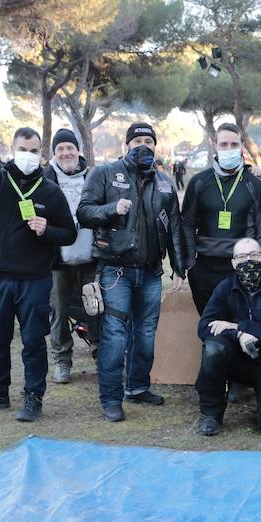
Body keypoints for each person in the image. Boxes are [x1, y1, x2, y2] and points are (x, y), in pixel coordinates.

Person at [0, 126, 78, 422]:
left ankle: (33, 397)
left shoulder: (50, 191)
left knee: (33, 341)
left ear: (42, 154)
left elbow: (69, 233)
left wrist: (47, 230)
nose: (28, 156)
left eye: (34, 151)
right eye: (23, 150)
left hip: (34, 280)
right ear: (13, 148)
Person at [77, 122, 186, 423]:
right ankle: (111, 398)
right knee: (114, 336)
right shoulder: (105, 173)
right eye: (137, 139)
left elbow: (174, 226)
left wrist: (179, 267)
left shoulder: (164, 182)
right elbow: (83, 212)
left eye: (149, 140)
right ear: (127, 145)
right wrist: (112, 209)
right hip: (116, 271)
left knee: (146, 334)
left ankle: (137, 387)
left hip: (151, 272)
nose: (143, 145)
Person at [194, 238, 261, 437]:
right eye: (241, 257)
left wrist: (238, 326)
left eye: (253, 255)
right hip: (238, 363)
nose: (248, 261)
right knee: (213, 349)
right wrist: (239, 335)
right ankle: (211, 414)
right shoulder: (225, 287)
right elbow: (205, 327)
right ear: (233, 262)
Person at [178, 122, 261, 314]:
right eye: (224, 144)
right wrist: (191, 264)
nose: (229, 148)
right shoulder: (199, 181)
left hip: (242, 266)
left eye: (234, 145)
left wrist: (257, 264)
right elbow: (186, 223)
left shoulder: (254, 183)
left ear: (242, 146)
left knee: (239, 330)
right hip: (204, 268)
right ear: (215, 146)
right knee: (211, 333)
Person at [44, 128, 99, 385]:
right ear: (54, 153)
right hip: (58, 259)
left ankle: (100, 353)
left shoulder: (94, 176)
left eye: (70, 147)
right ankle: (62, 361)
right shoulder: (45, 178)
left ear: (78, 150)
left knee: (95, 308)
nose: (66, 152)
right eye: (60, 149)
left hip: (90, 257)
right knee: (59, 311)